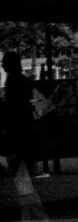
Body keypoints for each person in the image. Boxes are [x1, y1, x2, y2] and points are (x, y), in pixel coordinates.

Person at [1, 51, 38, 182]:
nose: (3, 66)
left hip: (16, 123)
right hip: (23, 121)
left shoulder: (13, 80)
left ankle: (22, 180)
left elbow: (13, 103)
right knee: (22, 151)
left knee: (17, 151)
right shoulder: (21, 79)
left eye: (5, 63)